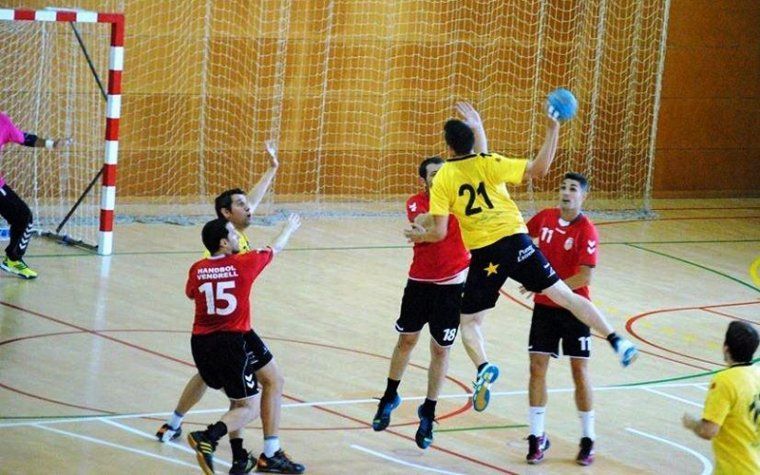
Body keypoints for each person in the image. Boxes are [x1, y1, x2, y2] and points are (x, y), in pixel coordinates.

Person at [404, 101, 638, 415]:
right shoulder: (490, 162)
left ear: (447, 147)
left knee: (469, 322)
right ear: (473, 141)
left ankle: (484, 366)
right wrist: (553, 128)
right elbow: (537, 169)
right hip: (518, 242)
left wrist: (421, 235)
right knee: (566, 297)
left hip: (487, 255)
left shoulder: (444, 178)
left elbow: (441, 232)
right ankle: (616, 339)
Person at [187, 215, 303, 475]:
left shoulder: (196, 268)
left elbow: (192, 293)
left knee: (272, 380)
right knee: (247, 407)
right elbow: (276, 247)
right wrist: (288, 229)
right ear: (224, 244)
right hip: (231, 340)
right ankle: (208, 437)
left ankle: (254, 456)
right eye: (233, 233)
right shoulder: (244, 263)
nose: (239, 236)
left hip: (203, 341)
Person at [371, 155, 471, 450]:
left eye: (442, 173)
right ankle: (390, 395)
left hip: (452, 287)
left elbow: (429, 234)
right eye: (433, 174)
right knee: (406, 340)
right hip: (419, 284)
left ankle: (428, 411)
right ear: (423, 180)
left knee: (441, 349)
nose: (438, 178)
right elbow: (420, 226)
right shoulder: (415, 201)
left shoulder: (460, 198)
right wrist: (427, 232)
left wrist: (426, 233)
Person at [522, 172, 599, 465]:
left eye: (573, 189)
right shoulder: (545, 218)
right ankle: (536, 436)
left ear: (583, 196)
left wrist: (546, 284)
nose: (566, 193)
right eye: (563, 187)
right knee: (536, 368)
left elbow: (584, 275)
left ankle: (588, 438)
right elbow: (521, 239)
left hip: (575, 308)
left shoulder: (587, 230)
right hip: (545, 307)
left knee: (579, 371)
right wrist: (526, 268)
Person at [0, 111, 71, 279]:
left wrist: (51, 144)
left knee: (23, 217)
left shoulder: (3, 122)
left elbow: (25, 138)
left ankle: (13, 259)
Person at [682, 321, 759, 475]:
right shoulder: (757, 375)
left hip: (735, 470)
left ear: (726, 348)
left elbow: (708, 431)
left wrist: (692, 424)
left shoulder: (724, 381)